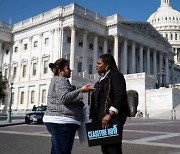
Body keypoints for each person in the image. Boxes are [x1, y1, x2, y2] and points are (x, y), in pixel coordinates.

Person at [43, 58, 95, 154]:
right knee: (62, 151)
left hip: (60, 121)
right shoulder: (61, 80)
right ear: (60, 71)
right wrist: (81, 91)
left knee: (58, 150)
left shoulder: (57, 80)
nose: (70, 70)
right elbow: (64, 97)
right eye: (67, 68)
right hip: (62, 121)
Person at [89, 54, 130, 154]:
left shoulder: (116, 75)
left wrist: (110, 114)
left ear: (106, 65)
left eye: (99, 63)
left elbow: (120, 96)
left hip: (112, 118)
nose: (96, 66)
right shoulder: (101, 79)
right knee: (105, 149)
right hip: (102, 119)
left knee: (113, 149)